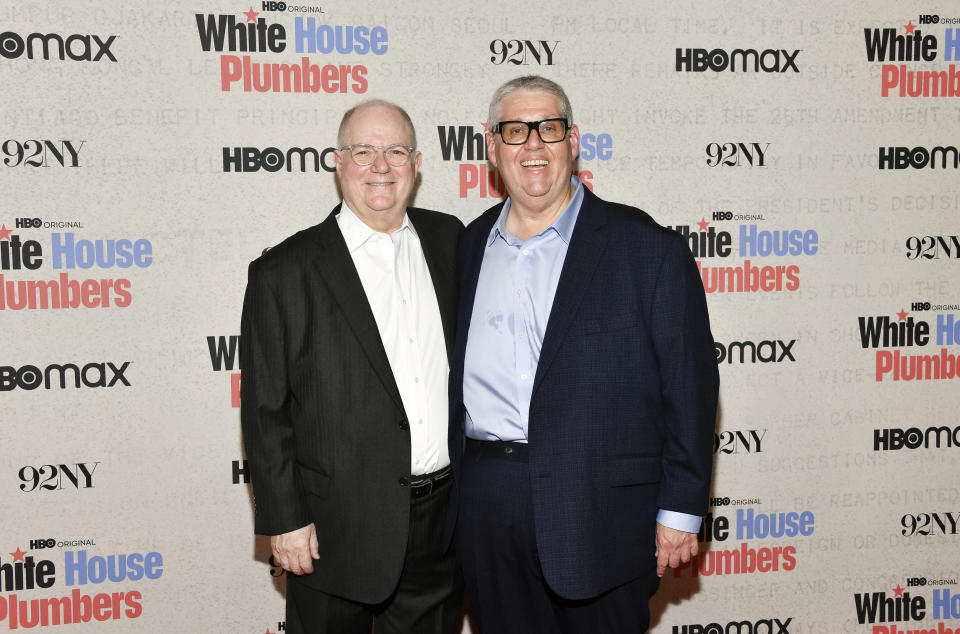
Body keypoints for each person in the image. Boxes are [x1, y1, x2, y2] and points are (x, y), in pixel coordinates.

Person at [446, 75, 719, 633]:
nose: (533, 145)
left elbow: (690, 390)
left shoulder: (647, 249)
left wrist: (681, 510)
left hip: (602, 514)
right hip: (488, 508)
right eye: (515, 130)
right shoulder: (467, 247)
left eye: (548, 128)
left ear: (573, 140)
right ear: (491, 146)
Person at [240, 99, 463, 634]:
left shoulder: (452, 240)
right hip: (333, 533)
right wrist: (285, 519)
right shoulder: (283, 272)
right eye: (363, 151)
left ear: (417, 162)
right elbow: (265, 411)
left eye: (395, 151)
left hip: (442, 527)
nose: (380, 166)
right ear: (338, 162)